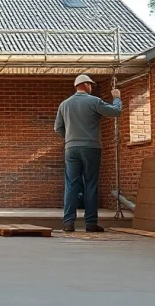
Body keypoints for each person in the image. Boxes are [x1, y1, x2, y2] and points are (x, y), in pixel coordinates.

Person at [54, 74, 122, 232]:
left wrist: (70, 138)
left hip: (71, 148)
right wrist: (117, 98)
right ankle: (91, 223)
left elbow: (57, 128)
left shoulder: (64, 104)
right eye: (90, 85)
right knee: (91, 184)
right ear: (85, 85)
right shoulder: (94, 101)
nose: (91, 87)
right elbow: (115, 112)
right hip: (91, 147)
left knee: (71, 184)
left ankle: (68, 222)